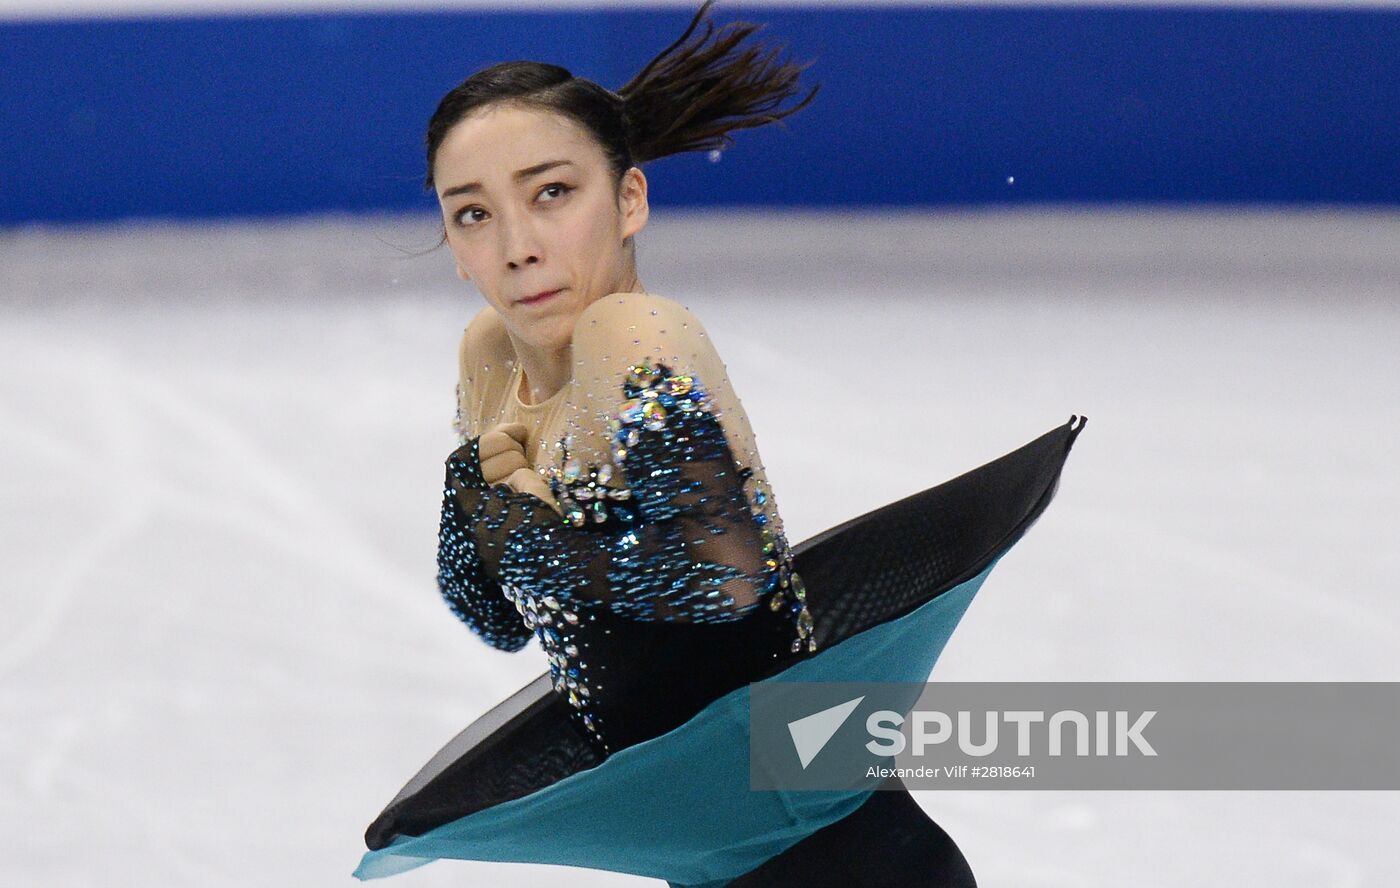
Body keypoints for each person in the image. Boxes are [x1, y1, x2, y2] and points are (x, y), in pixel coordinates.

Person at [357, 2, 1083, 884]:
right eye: (471, 214)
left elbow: (723, 580)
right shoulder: (490, 359)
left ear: (629, 200)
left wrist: (538, 545)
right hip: (709, 852)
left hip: (828, 850)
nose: (516, 248)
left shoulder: (631, 333)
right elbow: (495, 616)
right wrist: (480, 501)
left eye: (552, 193)